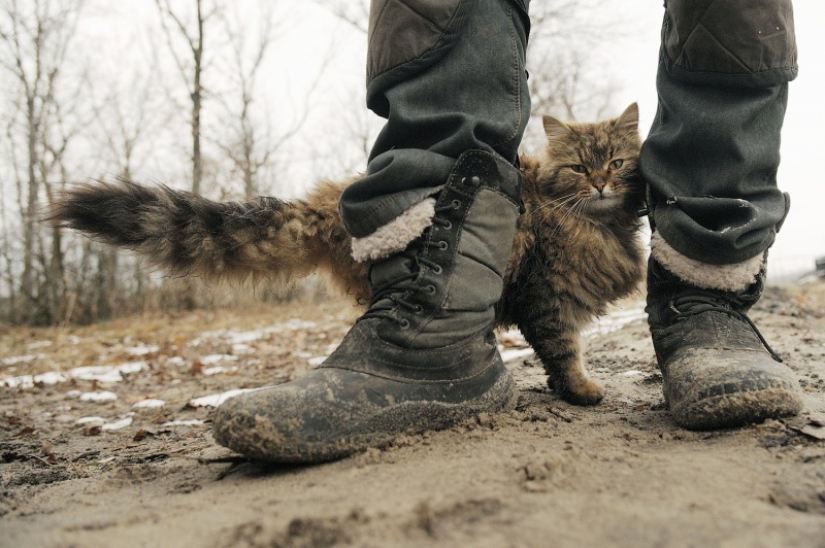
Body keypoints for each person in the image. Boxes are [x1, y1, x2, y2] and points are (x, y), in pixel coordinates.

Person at [211, 0, 803, 463]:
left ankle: (709, 290)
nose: (600, 182)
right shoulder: (553, 209)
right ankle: (436, 309)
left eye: (614, 171)